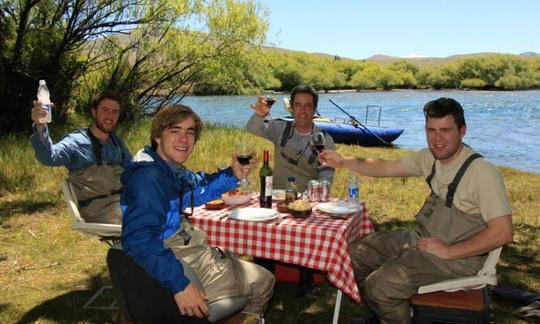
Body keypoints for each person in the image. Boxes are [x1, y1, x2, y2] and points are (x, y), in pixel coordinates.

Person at [320, 97, 513, 324]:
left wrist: (448, 252)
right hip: (422, 241)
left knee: (379, 286)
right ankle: (388, 311)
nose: (437, 139)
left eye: (445, 130)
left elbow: (503, 233)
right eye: (431, 130)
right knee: (353, 255)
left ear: (462, 131)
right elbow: (385, 166)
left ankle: (391, 311)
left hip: (459, 258)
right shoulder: (429, 158)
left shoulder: (482, 173)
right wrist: (343, 161)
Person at [120, 105, 275, 322]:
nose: (183, 139)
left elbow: (200, 187)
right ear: (157, 136)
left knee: (231, 255)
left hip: (186, 251)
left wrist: (232, 174)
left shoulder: (167, 170)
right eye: (175, 131)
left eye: (190, 132)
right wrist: (181, 285)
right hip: (179, 262)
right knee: (264, 280)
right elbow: (139, 239)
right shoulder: (149, 180)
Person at [30, 90, 132, 224]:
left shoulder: (117, 143)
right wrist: (40, 125)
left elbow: (133, 170)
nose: (109, 116)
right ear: (94, 112)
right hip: (99, 208)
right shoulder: (76, 141)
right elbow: (49, 157)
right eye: (105, 110)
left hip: (124, 202)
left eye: (115, 112)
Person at [246, 85, 335, 193]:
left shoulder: (325, 141)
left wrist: (304, 199)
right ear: (292, 108)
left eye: (307, 106)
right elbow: (252, 128)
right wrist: (260, 115)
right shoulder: (280, 128)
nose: (302, 111)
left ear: (315, 109)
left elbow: (325, 181)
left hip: (305, 200)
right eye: (297, 105)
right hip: (275, 197)